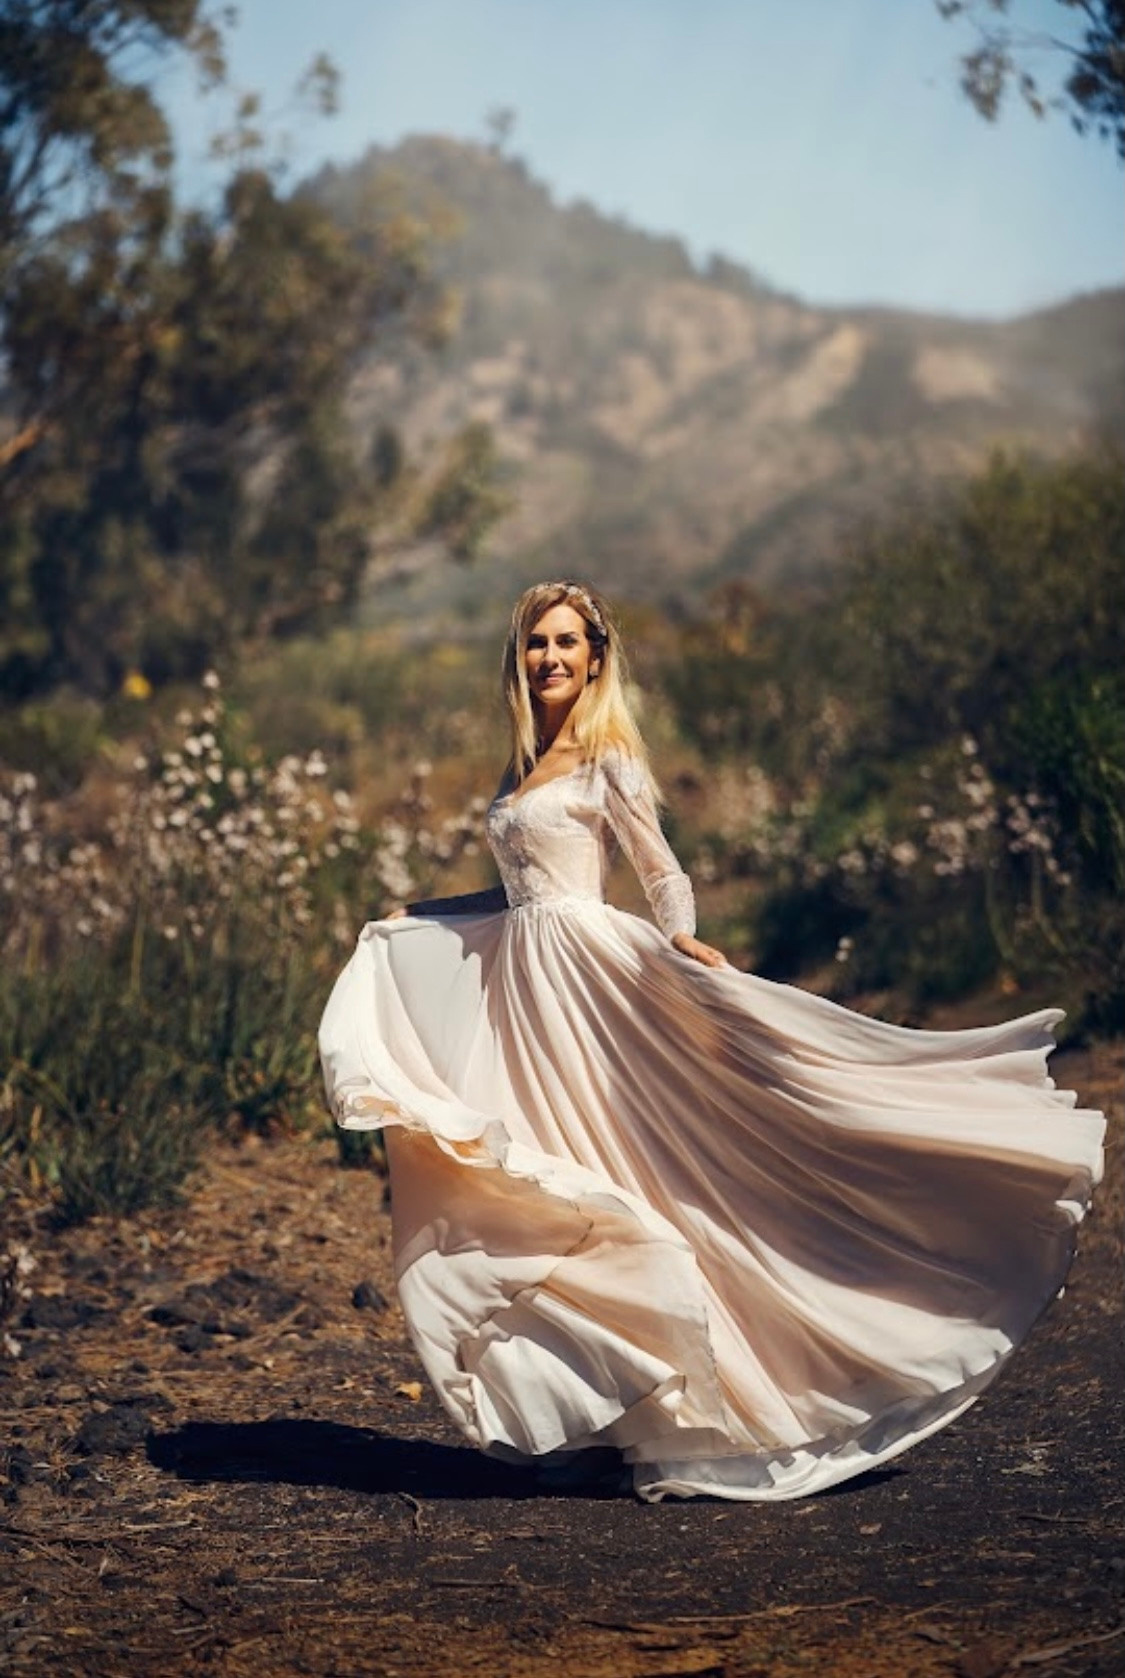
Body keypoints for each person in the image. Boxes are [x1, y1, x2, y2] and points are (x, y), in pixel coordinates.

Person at [317, 579, 1105, 1502]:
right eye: (536, 644)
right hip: (530, 992)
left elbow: (658, 869)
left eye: (568, 643)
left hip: (593, 975)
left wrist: (682, 937)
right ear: (518, 657)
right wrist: (415, 914)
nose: (551, 659)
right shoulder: (520, 766)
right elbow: (515, 893)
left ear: (597, 657)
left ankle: (751, 1378)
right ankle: (619, 1405)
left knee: (657, 1159)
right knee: (567, 1169)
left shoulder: (606, 755)